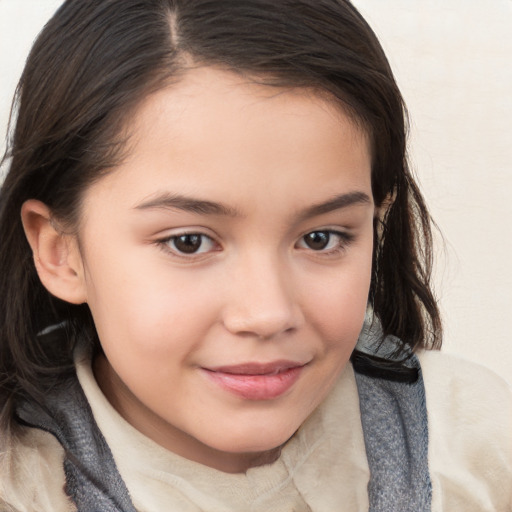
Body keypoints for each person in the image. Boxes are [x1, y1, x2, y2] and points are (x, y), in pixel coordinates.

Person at [0, 0, 510, 510]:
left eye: (321, 238)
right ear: (60, 251)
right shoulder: (23, 488)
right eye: (189, 242)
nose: (267, 313)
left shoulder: (476, 445)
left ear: (376, 226)